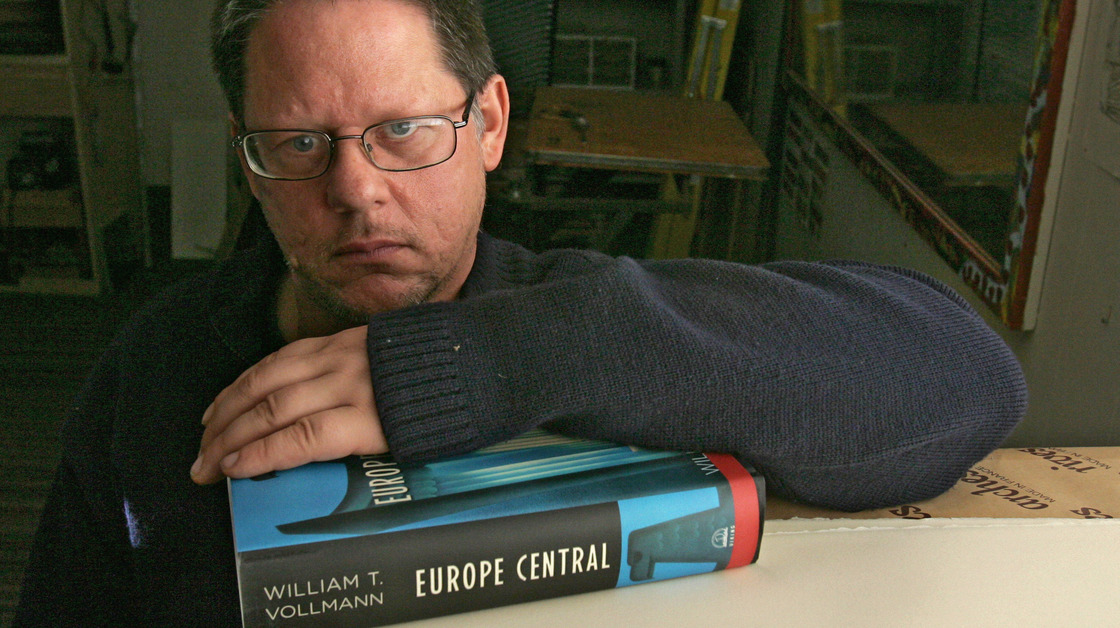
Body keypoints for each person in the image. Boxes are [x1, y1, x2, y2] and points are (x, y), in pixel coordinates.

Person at [15, 0, 1027, 624]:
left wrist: (477, 365)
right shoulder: (156, 361)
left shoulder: (581, 317)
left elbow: (967, 377)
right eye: (298, 143)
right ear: (246, 151)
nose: (358, 190)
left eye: (405, 130)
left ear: (489, 123)